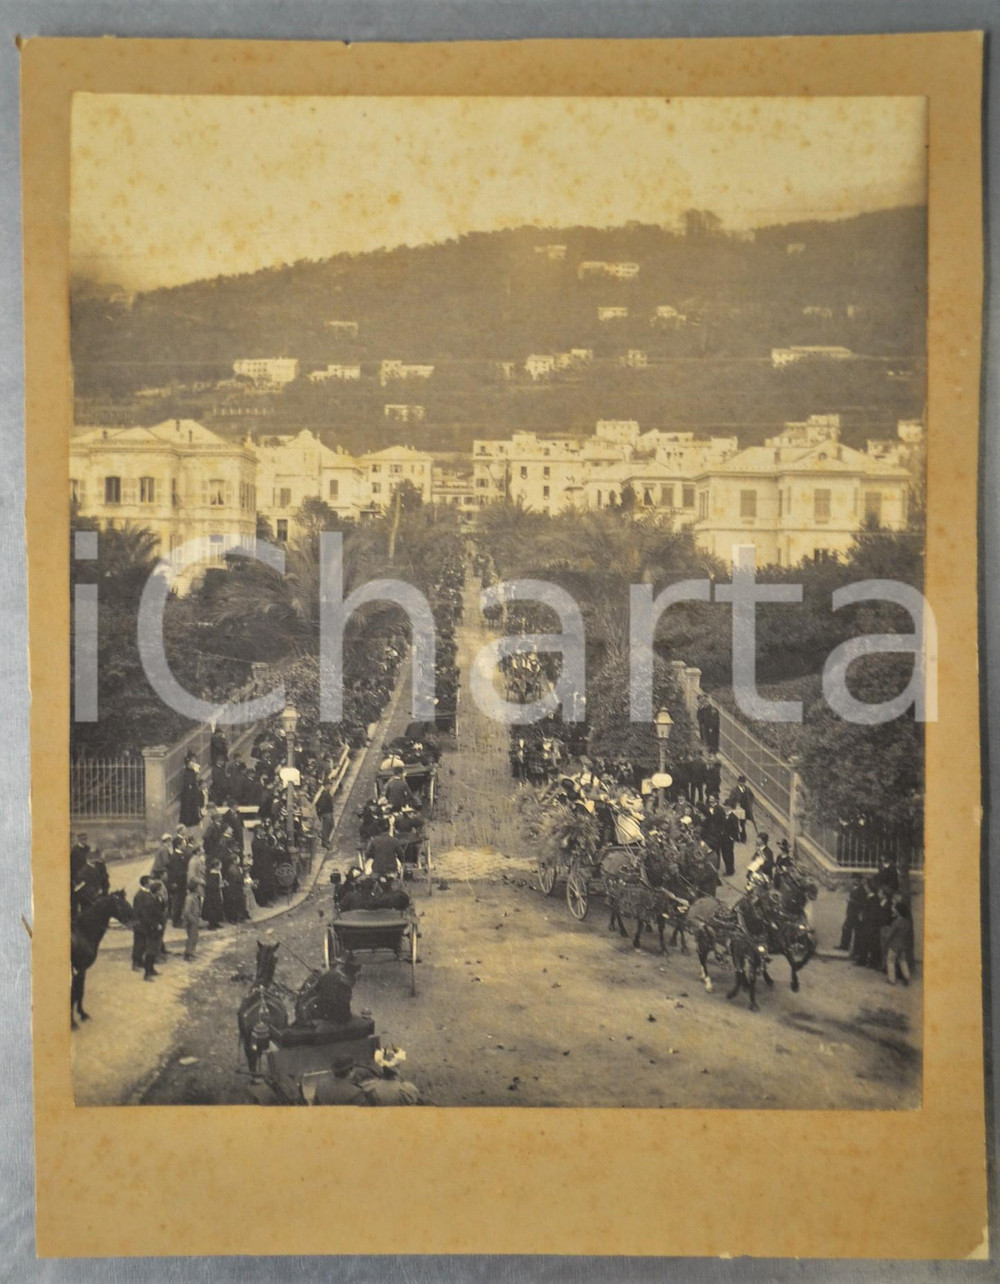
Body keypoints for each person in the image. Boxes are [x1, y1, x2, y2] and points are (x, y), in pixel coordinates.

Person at [131, 876, 161, 980]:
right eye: (151, 881)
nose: (153, 882)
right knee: (140, 944)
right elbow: (142, 912)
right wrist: (153, 924)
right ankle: (136, 963)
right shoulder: (140, 895)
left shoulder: (148, 893)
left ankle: (142, 964)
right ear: (146, 883)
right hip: (142, 924)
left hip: (146, 924)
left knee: (143, 945)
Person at [884, 897, 914, 985]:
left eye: (895, 909)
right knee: (902, 960)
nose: (893, 910)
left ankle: (891, 979)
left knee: (890, 961)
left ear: (898, 911)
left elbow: (890, 934)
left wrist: (886, 933)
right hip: (903, 944)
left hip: (894, 945)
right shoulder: (907, 922)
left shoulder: (896, 922)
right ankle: (907, 977)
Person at [837, 874, 867, 953]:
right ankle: (845, 945)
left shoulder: (862, 891)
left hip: (855, 913)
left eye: (854, 879)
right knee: (846, 928)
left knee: (856, 931)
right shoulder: (854, 888)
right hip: (851, 913)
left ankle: (853, 948)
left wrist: (851, 901)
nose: (853, 881)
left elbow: (863, 903)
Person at [167, 838, 190, 928]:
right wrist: (186, 872)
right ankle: (176, 921)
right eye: (183, 844)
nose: (185, 845)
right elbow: (176, 871)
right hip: (177, 883)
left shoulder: (181, 855)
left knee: (181, 901)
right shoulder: (175, 857)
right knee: (177, 902)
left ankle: (179, 919)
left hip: (182, 882)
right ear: (178, 845)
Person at [726, 776, 755, 844]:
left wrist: (750, 803)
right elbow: (731, 799)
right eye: (740, 782)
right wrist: (735, 804)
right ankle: (736, 836)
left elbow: (752, 796)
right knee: (735, 823)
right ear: (738, 782)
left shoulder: (747, 789)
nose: (742, 783)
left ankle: (743, 837)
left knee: (743, 823)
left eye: (743, 782)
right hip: (737, 809)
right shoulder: (734, 790)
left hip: (745, 809)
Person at [717, 800, 741, 878]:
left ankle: (730, 870)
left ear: (730, 807)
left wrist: (731, 838)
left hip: (728, 840)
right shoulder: (722, 815)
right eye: (725, 806)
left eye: (726, 806)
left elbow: (735, 829)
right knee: (724, 854)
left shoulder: (734, 817)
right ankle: (728, 869)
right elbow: (720, 824)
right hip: (722, 838)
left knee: (729, 854)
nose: (725, 807)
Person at [179, 759, 203, 829]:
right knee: (188, 807)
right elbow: (188, 783)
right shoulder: (187, 773)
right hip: (188, 793)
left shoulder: (193, 772)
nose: (193, 764)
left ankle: (194, 820)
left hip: (193, 792)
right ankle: (188, 821)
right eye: (191, 763)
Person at [181, 879, 202, 960]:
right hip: (191, 920)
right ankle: (188, 954)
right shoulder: (190, 898)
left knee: (194, 936)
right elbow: (186, 911)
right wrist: (192, 919)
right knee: (191, 937)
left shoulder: (194, 896)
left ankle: (191, 952)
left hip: (194, 919)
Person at [202, 859, 225, 930]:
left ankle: (215, 922)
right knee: (213, 908)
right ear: (216, 866)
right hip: (213, 894)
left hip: (216, 893)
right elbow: (214, 885)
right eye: (220, 865)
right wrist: (221, 885)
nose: (221, 866)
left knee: (217, 907)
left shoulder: (216, 872)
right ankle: (211, 924)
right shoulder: (214, 874)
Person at [314, 782, 335, 848]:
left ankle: (326, 840)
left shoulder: (326, 793)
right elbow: (322, 804)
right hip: (326, 813)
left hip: (329, 812)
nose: (331, 786)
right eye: (329, 785)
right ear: (326, 786)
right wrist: (320, 813)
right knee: (326, 828)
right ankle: (325, 842)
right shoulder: (324, 794)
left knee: (330, 826)